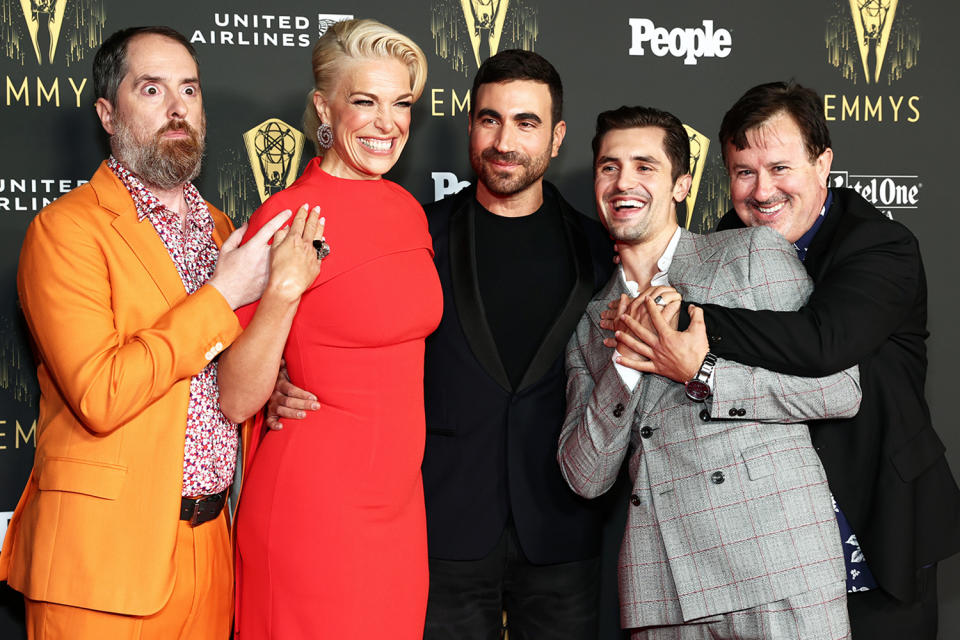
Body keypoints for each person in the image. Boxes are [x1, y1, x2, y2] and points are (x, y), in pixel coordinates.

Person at [268, 49, 615, 639]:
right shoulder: (414, 231)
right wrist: (280, 375)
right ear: (470, 124)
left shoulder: (600, 249)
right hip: (440, 524)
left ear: (557, 138)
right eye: (489, 119)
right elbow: (338, 327)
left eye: (526, 122)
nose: (504, 140)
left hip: (563, 526)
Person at [616, 81, 960, 639]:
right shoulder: (721, 246)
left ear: (823, 164)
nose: (761, 190)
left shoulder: (879, 246)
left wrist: (688, 318)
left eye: (779, 167)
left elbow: (823, 342)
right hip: (761, 552)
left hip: (874, 523)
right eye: (744, 172)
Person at [0, 26, 290, 639]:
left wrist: (275, 380)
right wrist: (222, 297)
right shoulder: (66, 231)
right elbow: (101, 393)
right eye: (152, 89)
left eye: (189, 89)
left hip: (211, 550)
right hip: (102, 562)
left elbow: (228, 379)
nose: (178, 107)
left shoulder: (220, 229)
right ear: (108, 112)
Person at [559, 105, 861, 638]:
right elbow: (585, 476)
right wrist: (628, 362)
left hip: (777, 566)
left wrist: (702, 369)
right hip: (663, 590)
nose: (624, 181)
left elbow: (840, 390)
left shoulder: (747, 253)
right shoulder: (591, 325)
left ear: (681, 185)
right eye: (609, 167)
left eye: (644, 166)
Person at [216, 19, 440, 639]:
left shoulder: (406, 211)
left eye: (400, 104)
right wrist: (285, 292)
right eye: (364, 101)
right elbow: (234, 397)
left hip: (399, 510)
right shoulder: (284, 216)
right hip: (314, 508)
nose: (385, 122)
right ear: (323, 106)